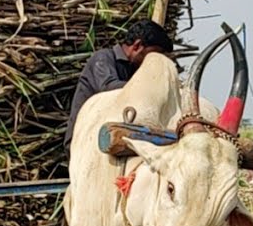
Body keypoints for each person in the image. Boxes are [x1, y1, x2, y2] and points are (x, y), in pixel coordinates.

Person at [62, 19, 174, 153]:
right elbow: (108, 86)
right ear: (137, 46)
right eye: (153, 55)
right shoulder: (103, 58)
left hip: (114, 133)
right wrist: (149, 87)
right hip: (84, 136)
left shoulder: (135, 70)